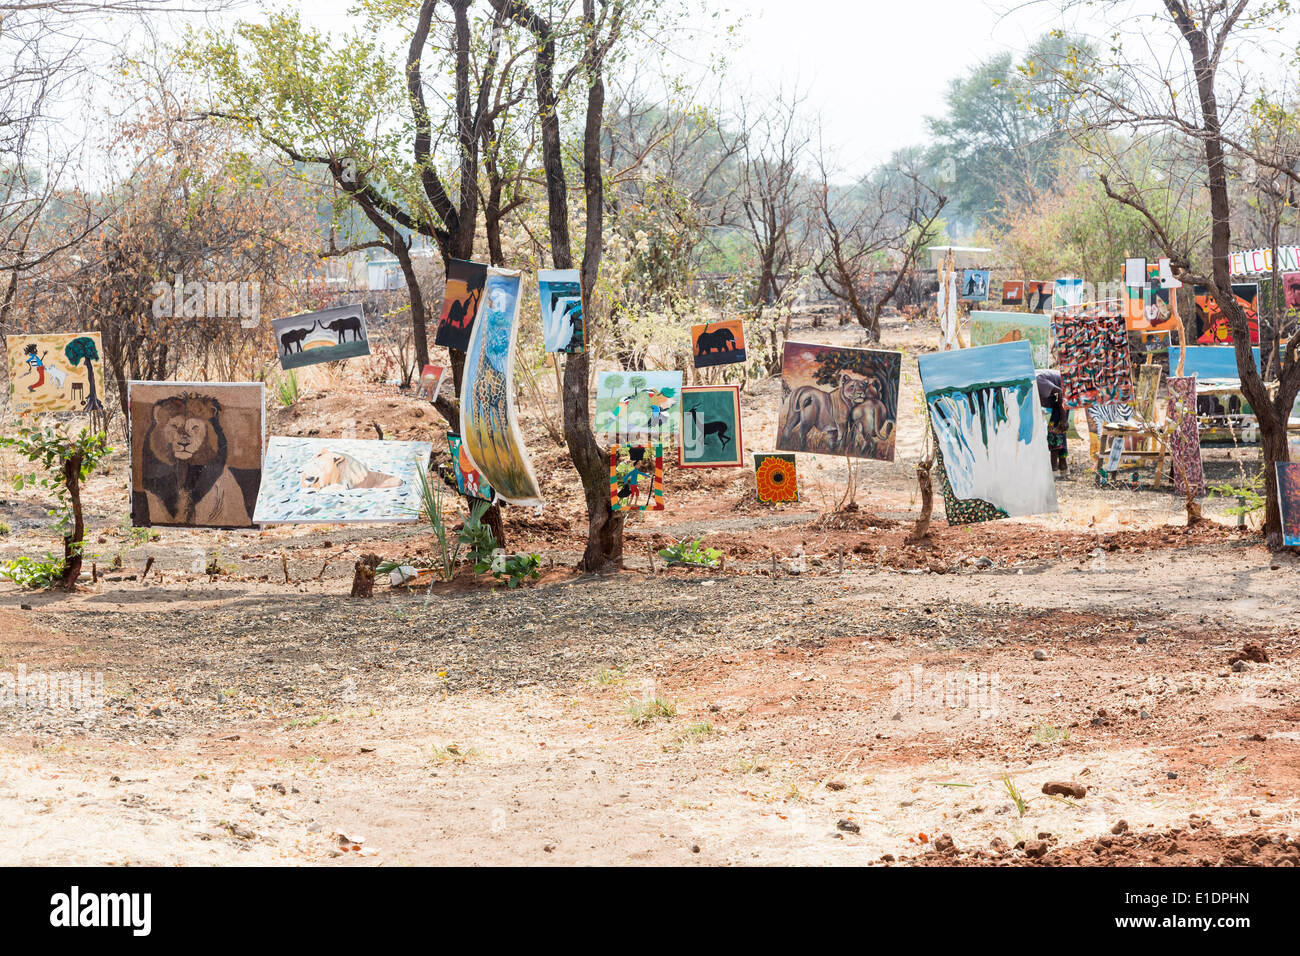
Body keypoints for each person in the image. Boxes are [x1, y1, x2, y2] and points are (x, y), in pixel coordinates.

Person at [1036, 369, 1068, 474]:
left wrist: (1064, 419)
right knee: (1059, 432)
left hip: (1063, 397)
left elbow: (1059, 392)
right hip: (1057, 401)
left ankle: (1053, 467)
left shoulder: (1037, 380)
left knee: (1054, 432)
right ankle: (1063, 466)